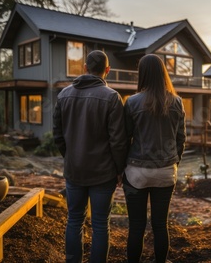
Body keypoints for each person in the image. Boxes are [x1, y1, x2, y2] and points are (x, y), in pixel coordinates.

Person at [53, 50, 128, 263]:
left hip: (74, 171)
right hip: (103, 174)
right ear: (107, 71)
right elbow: (118, 141)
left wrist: (70, 157)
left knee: (74, 220)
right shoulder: (112, 97)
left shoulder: (63, 95)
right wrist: (119, 169)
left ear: (85, 68)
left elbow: (57, 134)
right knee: (100, 224)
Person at [122, 54, 186, 263]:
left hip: (136, 172)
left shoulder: (131, 102)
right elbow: (180, 139)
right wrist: (173, 163)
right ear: (162, 73)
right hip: (166, 172)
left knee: (136, 226)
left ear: (143, 73)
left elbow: (124, 138)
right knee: (160, 225)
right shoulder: (176, 102)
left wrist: (121, 167)